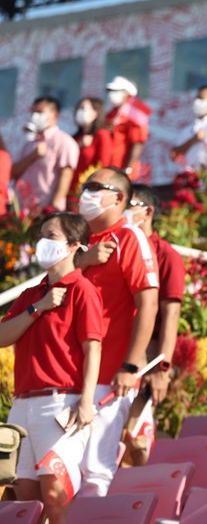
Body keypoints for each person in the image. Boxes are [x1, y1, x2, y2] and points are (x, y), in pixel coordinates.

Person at [1, 212, 102, 524]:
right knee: (24, 503)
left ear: (73, 244)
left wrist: (86, 401)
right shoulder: (31, 295)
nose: (42, 242)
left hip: (60, 404)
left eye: (51, 235)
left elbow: (93, 347)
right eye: (41, 235)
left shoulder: (82, 289)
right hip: (22, 406)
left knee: (56, 498)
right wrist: (38, 308)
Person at [72, 167, 158, 496]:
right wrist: (82, 262)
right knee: (59, 473)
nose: (86, 193)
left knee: (94, 470)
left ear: (120, 197)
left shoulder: (129, 237)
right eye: (85, 186)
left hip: (109, 375)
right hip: (69, 374)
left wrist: (131, 365)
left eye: (95, 187)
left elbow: (149, 303)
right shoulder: (79, 241)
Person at [121, 185, 185, 466]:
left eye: (129, 205)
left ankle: (140, 486)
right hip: (114, 345)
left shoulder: (166, 255)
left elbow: (171, 314)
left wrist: (162, 367)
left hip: (146, 350)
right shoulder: (116, 247)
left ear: (147, 212)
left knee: (133, 432)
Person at [12, 97, 79, 212]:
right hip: (21, 210)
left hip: (44, 210)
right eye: (33, 112)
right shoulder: (29, 143)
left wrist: (53, 207)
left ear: (55, 115)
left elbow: (66, 174)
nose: (35, 116)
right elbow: (13, 172)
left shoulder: (64, 141)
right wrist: (33, 156)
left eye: (40, 112)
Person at [104, 76, 151, 179]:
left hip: (123, 172)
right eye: (111, 91)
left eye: (116, 91)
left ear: (126, 93)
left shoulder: (133, 114)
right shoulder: (111, 114)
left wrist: (128, 169)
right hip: (108, 168)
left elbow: (138, 143)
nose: (111, 94)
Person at [72, 97, 113, 191]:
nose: (79, 112)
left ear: (95, 113)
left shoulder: (102, 135)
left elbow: (103, 164)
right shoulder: (76, 137)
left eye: (83, 108)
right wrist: (79, 145)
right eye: (78, 108)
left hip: (88, 188)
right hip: (70, 187)